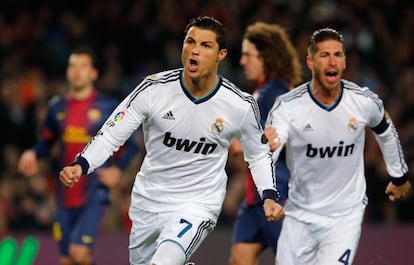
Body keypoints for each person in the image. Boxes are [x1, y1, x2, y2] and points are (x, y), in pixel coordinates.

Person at [58, 16, 285, 265]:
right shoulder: (153, 90)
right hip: (148, 203)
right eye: (190, 41)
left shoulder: (239, 105)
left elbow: (258, 153)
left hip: (196, 204)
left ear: (221, 54)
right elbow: (112, 134)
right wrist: (81, 164)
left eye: (205, 45)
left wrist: (269, 195)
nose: (194, 50)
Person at [264, 28, 412, 265]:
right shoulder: (289, 107)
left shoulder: (363, 101)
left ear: (344, 62)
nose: (332, 61)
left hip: (344, 216)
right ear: (311, 62)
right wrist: (269, 194)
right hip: (299, 215)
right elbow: (270, 148)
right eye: (324, 55)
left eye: (338, 55)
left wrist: (399, 175)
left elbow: (385, 130)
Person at [18, 46, 139, 265]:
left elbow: (132, 146)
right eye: (73, 66)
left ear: (93, 73)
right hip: (63, 195)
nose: (77, 71)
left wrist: (117, 170)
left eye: (83, 66)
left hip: (94, 193)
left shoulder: (108, 106)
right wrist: (32, 153)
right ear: (67, 71)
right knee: (67, 260)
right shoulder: (57, 107)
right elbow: (46, 143)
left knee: (78, 253)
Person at [228, 22, 302, 265]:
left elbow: (242, 142)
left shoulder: (273, 92)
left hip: (279, 194)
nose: (242, 61)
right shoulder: (264, 91)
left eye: (249, 55)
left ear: (266, 58)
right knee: (240, 259)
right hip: (255, 198)